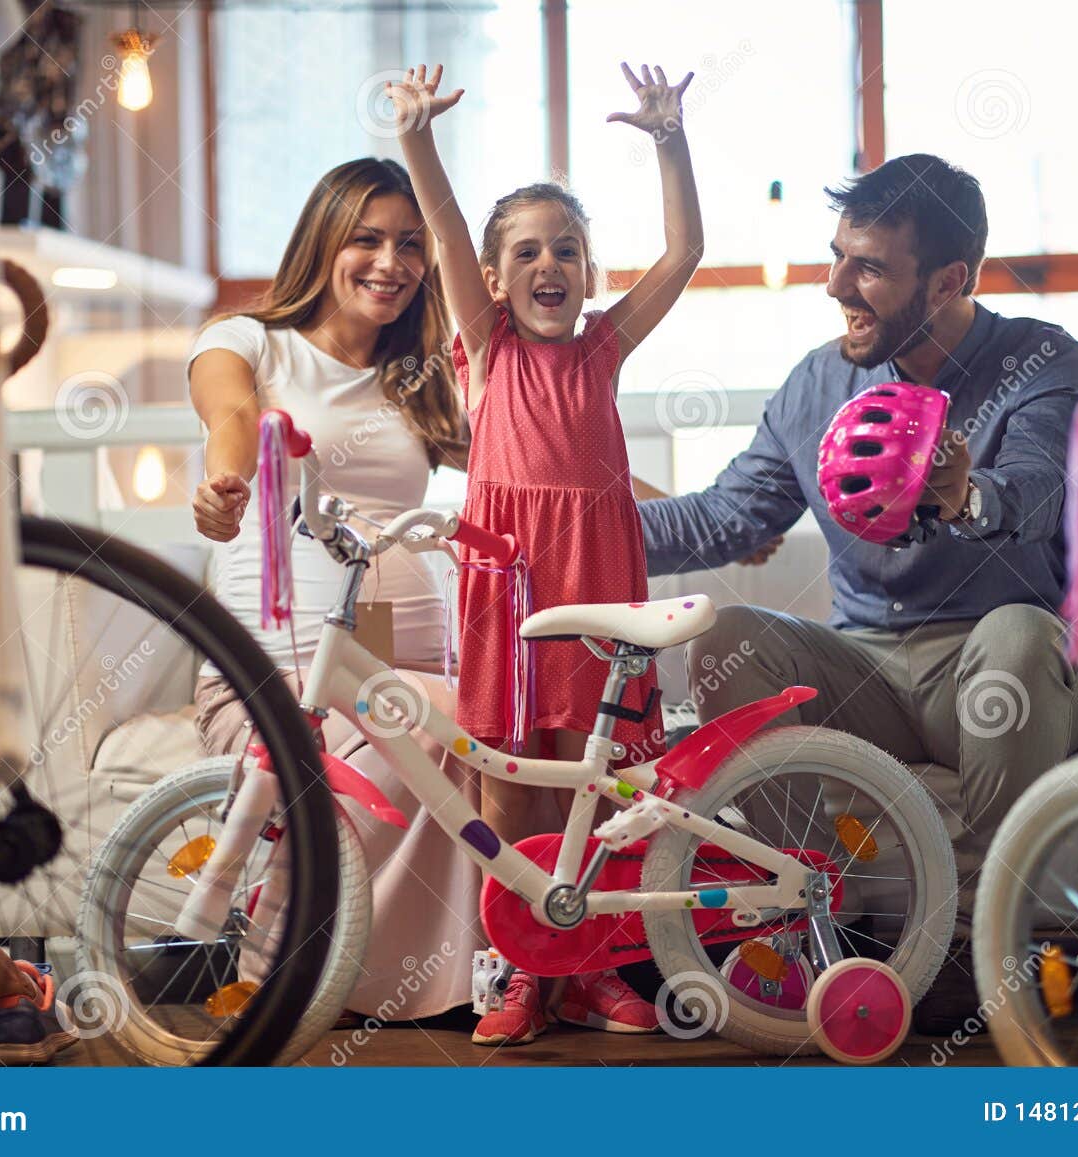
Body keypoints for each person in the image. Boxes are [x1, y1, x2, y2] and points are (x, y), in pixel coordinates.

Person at [638, 154, 1078, 1034]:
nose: (836, 285)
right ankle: (819, 911)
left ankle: (981, 941)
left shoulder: (1044, 361)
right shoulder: (819, 382)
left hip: (996, 659)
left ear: (949, 280)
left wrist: (968, 492)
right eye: (837, 256)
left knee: (1017, 636)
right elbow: (727, 516)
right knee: (730, 634)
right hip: (869, 666)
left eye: (870, 269)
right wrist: (576, 536)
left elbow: (1040, 496)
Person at [388, 63, 702, 1045]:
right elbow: (441, 227)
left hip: (598, 583)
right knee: (509, 781)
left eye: (566, 248)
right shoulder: (486, 347)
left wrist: (668, 140)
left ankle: (595, 964)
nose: (549, 263)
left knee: (596, 782)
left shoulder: (604, 346)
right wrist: (416, 140)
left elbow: (686, 251)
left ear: (587, 271)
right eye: (526, 250)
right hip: (509, 587)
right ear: (492, 280)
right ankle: (520, 972)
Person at [189, 157, 481, 1025]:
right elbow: (234, 417)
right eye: (367, 238)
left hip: (391, 658)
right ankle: (312, 974)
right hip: (277, 674)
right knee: (405, 736)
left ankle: (403, 985)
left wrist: (678, 516)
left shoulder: (420, 379)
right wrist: (227, 485)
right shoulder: (247, 339)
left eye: (408, 245)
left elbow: (545, 467)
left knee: (474, 730)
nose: (389, 262)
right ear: (325, 239)